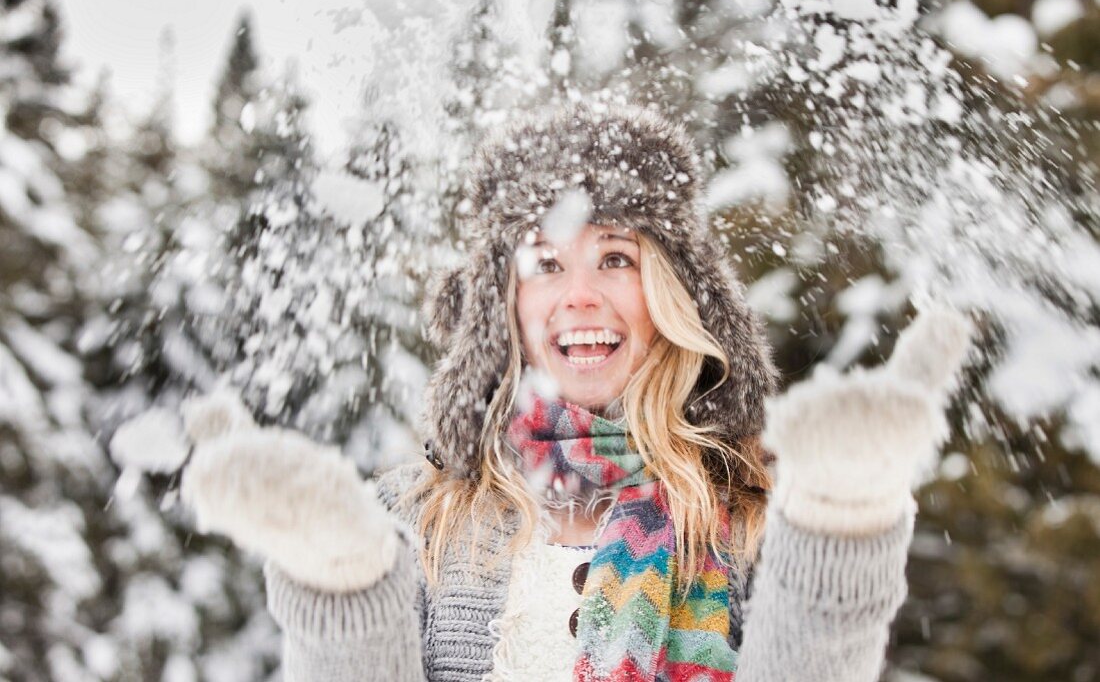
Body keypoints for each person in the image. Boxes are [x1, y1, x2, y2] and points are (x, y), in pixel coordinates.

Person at [179, 103, 973, 682]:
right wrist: (338, 585)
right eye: (546, 265)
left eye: (617, 259)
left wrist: (844, 524)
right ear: (504, 309)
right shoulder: (413, 521)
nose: (581, 296)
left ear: (675, 294)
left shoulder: (756, 520)